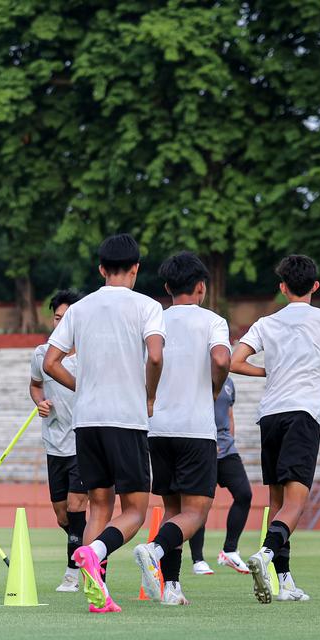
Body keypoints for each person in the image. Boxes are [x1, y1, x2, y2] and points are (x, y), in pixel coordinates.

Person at [43, 233, 165, 614]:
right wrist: (148, 394)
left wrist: (82, 388)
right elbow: (157, 357)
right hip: (125, 419)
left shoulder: (80, 308)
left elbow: (50, 362)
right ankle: (94, 552)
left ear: (100, 269)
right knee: (135, 512)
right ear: (135, 269)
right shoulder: (147, 306)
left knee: (99, 507)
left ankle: (97, 592)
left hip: (87, 421)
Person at [231, 255, 320, 604]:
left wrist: (269, 373)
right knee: (296, 504)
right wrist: (319, 380)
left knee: (278, 501)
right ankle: (267, 555)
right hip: (303, 414)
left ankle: (284, 581)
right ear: (315, 285)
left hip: (270, 416)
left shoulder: (266, 322)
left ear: (282, 287)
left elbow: (236, 361)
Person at [132, 252, 231, 606]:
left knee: (173, 510)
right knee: (196, 512)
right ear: (202, 286)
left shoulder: (155, 318)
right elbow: (221, 359)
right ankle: (155, 549)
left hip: (157, 428)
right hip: (195, 428)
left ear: (167, 288)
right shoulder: (213, 321)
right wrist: (216, 386)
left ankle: (172, 587)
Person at [29, 289, 87, 593]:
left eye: (66, 319)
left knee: (78, 505)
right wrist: (39, 402)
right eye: (57, 318)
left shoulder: (90, 354)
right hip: (54, 443)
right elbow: (35, 386)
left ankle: (73, 573)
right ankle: (91, 545)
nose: (60, 323)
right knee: (63, 513)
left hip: (84, 443)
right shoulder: (42, 354)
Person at [187, 376, 253, 576]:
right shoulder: (196, 378)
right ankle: (198, 559)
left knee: (244, 494)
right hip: (202, 445)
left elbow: (229, 414)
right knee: (200, 503)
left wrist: (230, 439)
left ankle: (230, 550)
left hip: (226, 447)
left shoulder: (229, 382)